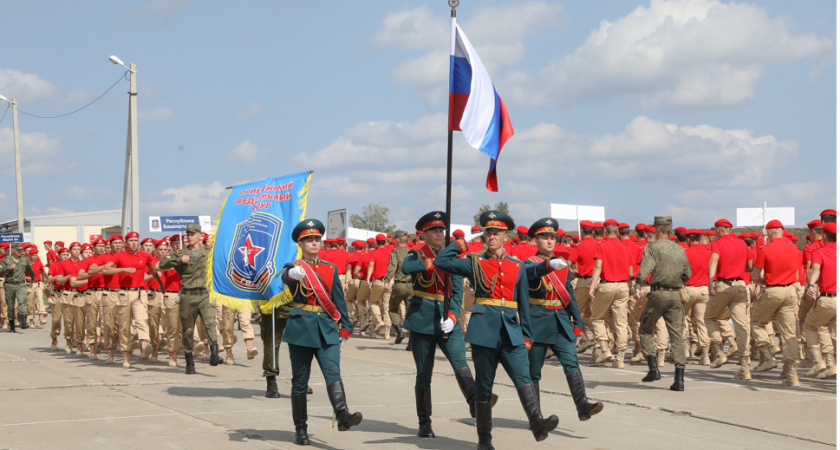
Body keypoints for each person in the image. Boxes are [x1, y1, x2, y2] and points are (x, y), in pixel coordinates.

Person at [435, 210, 559, 449]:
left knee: (523, 377)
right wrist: (460, 243)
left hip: (512, 332)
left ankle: (537, 422)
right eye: (488, 233)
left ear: (506, 236)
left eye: (496, 233)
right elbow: (441, 262)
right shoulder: (475, 261)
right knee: (484, 385)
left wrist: (527, 336)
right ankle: (484, 440)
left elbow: (523, 302)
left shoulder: (516, 265)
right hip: (484, 331)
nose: (491, 237)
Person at [401, 211, 490, 438]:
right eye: (434, 230)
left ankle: (473, 399)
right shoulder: (416, 253)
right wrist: (437, 261)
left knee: (460, 361)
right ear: (425, 233)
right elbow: (407, 269)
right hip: (422, 318)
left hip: (447, 318)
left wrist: (452, 316)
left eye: (442, 230)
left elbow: (458, 291)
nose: (439, 234)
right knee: (424, 373)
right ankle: (424, 422)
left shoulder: (454, 259)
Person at [282, 219, 361, 445]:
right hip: (301, 329)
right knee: (300, 381)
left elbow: (339, 301)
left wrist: (345, 331)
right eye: (309, 239)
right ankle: (301, 429)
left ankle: (343, 415)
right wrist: (291, 274)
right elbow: (285, 277)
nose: (314, 242)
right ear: (300, 243)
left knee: (333, 373)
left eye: (317, 239)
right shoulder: (294, 266)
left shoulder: (330, 269)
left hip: (327, 329)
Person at [523, 218, 603, 420]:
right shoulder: (528, 264)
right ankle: (536, 418)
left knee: (571, 363)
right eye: (545, 237)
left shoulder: (563, 265)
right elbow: (531, 275)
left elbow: (569, 294)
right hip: (538, 322)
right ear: (535, 240)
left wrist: (577, 322)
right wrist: (548, 265)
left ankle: (582, 406)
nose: (550, 241)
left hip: (560, 322)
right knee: (534, 372)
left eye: (553, 237)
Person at [633, 217, 691, 391]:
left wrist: (638, 285)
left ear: (658, 229)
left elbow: (645, 270)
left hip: (658, 294)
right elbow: (687, 273)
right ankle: (679, 380)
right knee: (677, 336)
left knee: (644, 329)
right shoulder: (680, 249)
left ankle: (653, 369)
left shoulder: (652, 247)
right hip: (675, 295)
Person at [158, 224, 224, 373]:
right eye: (188, 234)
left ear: (200, 235)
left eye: (193, 234)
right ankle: (189, 361)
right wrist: (180, 260)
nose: (189, 236)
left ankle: (214, 354)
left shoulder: (208, 253)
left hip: (205, 294)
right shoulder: (180, 253)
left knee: (210, 323)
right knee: (188, 330)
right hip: (188, 295)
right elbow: (161, 264)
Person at [750, 220, 802, 386]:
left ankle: (767, 355)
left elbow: (754, 276)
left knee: (757, 322)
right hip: (790, 291)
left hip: (773, 290)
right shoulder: (794, 249)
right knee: (789, 332)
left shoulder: (766, 249)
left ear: (770, 233)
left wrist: (766, 279)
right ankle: (792, 374)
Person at [704, 218, 753, 380]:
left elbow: (714, 260)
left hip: (724, 285)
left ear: (718, 230)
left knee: (710, 317)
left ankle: (719, 351)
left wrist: (711, 279)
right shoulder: (742, 243)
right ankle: (745, 366)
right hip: (740, 285)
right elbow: (750, 266)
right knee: (741, 325)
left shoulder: (717, 243)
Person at [588, 219, 635, 367]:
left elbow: (598, 267)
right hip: (622, 286)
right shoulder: (626, 247)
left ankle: (604, 348)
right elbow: (631, 272)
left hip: (607, 285)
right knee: (621, 322)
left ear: (605, 231)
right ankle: (620, 357)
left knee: (597, 317)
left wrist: (592, 286)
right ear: (618, 231)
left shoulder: (602, 246)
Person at [803, 221, 837, 378]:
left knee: (810, 325)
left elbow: (815, 269)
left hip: (828, 299)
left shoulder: (820, 251)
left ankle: (819, 361)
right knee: (826, 328)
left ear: (824, 236)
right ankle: (831, 363)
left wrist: (811, 284)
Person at [0, 242, 35, 332]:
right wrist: (8, 268)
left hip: (21, 285)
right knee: (10, 306)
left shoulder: (24, 259)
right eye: (18, 250)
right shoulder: (6, 259)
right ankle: (12, 326)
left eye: (21, 250)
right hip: (9, 285)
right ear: (13, 250)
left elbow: (29, 270)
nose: (20, 251)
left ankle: (23, 322)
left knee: (22, 301)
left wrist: (33, 278)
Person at [386, 230, 412, 344]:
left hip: (399, 285)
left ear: (397, 240)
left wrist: (386, 280)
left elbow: (392, 268)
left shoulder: (395, 253)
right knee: (411, 312)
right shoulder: (412, 253)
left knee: (392, 309)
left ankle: (399, 331)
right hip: (411, 285)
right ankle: (411, 341)